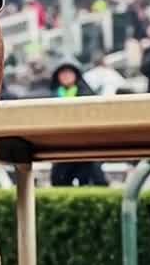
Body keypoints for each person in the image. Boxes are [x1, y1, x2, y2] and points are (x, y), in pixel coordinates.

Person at [45, 58, 105, 187]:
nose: (66, 76)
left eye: (69, 72)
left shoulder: (87, 94)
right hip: (61, 147)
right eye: (63, 73)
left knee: (94, 179)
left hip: (85, 146)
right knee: (59, 181)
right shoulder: (51, 96)